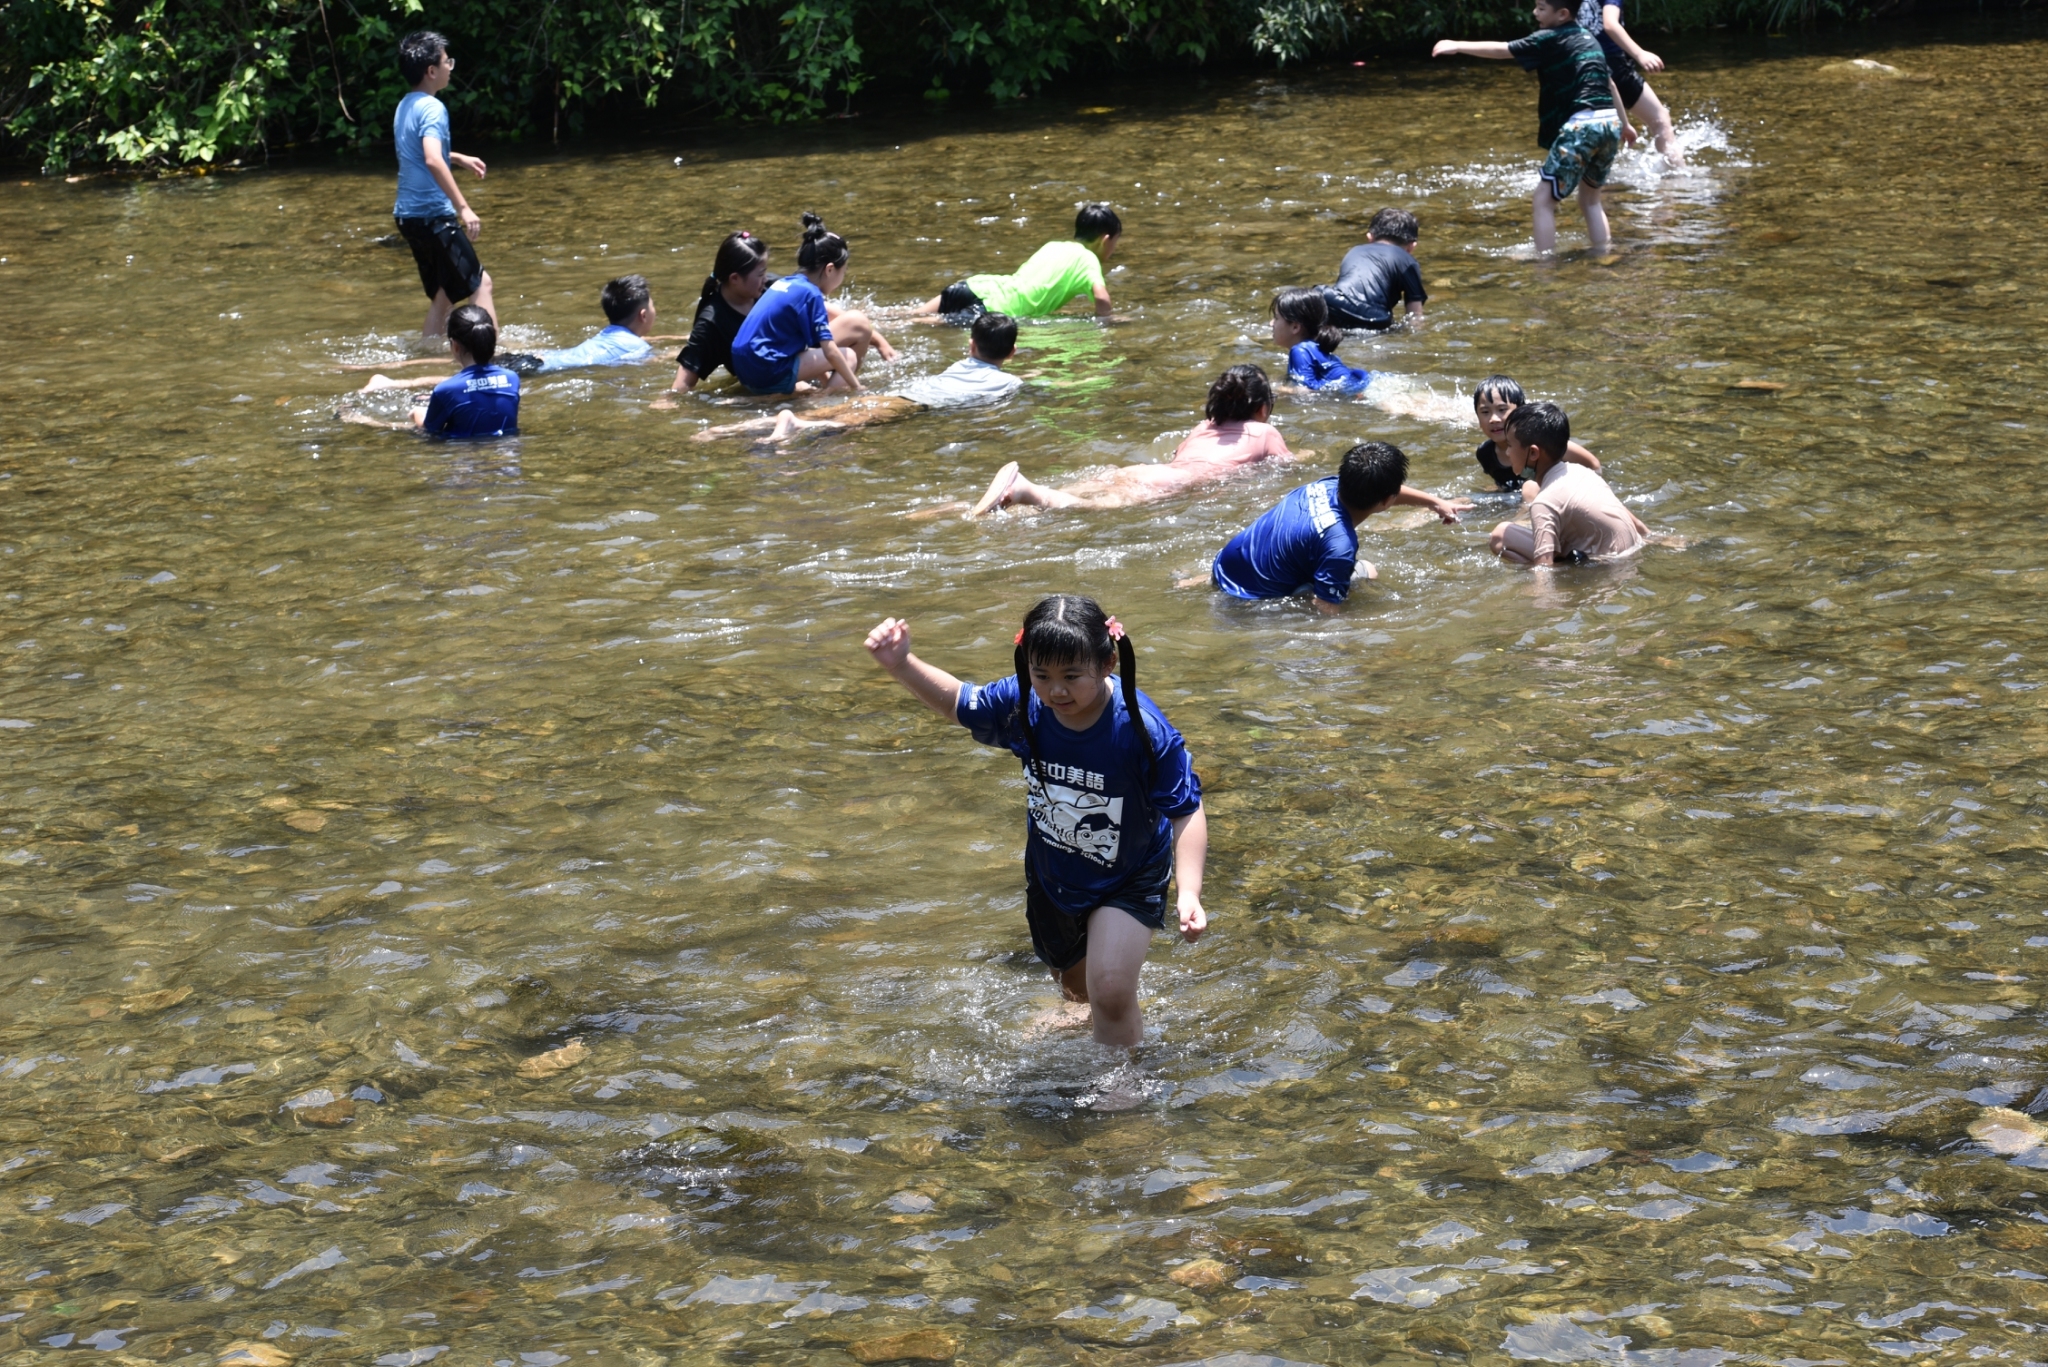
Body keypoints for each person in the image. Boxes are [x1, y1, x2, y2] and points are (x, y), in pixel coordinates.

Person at [862, 596, 1206, 1050]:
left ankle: (1122, 1079)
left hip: (1129, 873)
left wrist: (1188, 892)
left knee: (1110, 990)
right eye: (1041, 675)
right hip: (1054, 872)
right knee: (1076, 986)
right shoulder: (1024, 703)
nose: (1056, 691)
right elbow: (959, 703)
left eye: (1071, 677)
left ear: (1107, 663)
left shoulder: (1140, 729)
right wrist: (901, 664)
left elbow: (1185, 809)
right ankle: (1086, 1015)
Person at [1434, 0, 1636, 255]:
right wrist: (1625, 125)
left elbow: (1503, 49)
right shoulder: (1588, 38)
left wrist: (1457, 45)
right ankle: (1603, 255)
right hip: (1609, 122)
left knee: (1543, 200)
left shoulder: (1550, 37)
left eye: (1541, 8)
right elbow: (1611, 84)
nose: (1535, 12)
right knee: (1591, 201)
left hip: (1583, 125)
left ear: (1562, 14)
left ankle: (1544, 266)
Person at [964, 365, 1298, 517]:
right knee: (1098, 508)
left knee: (1071, 493)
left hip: (1145, 471)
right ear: (1262, 408)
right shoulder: (1265, 432)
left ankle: (967, 507)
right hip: (1172, 482)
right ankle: (1026, 489)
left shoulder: (1203, 427)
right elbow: (1286, 466)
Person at [1206, 443, 1472, 613]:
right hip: (1249, 601)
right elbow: (1324, 607)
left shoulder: (1323, 486)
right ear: (1386, 501)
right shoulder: (1340, 546)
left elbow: (1385, 491)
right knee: (1368, 570)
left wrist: (1434, 502)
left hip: (1221, 568)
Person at [692, 313, 1023, 444]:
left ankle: (727, 430)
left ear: (970, 345)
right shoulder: (1010, 384)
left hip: (899, 394)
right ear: (1011, 353)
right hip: (912, 405)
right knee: (842, 425)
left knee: (829, 414)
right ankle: (792, 425)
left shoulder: (961, 365)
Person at [391, 30, 494, 336]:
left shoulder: (405, 105)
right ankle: (490, 356)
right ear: (432, 71)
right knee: (481, 284)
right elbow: (432, 159)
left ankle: (428, 353)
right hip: (433, 215)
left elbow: (418, 153)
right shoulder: (434, 108)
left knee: (444, 293)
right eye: (447, 61)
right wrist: (464, 208)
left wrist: (458, 157)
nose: (451, 66)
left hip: (408, 217)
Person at [729, 213, 894, 395]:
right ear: (830, 269)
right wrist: (857, 387)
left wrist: (825, 382)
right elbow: (830, 352)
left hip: (744, 368)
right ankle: (825, 405)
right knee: (849, 357)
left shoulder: (785, 283)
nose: (842, 278)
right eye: (843, 272)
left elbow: (806, 349)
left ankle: (820, 392)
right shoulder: (811, 294)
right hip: (767, 370)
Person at [1487, 401, 1646, 564]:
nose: (1508, 452)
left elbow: (1544, 570)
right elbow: (1635, 524)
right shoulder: (1582, 472)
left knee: (1500, 536)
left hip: (1604, 566)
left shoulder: (1544, 502)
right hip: (1633, 551)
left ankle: (1568, 566)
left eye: (1509, 445)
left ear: (1533, 453)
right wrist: (1655, 537)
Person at [914, 204, 1122, 321]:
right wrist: (1106, 322)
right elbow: (1101, 296)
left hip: (977, 285)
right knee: (918, 325)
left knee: (910, 315)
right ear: (1105, 240)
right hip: (995, 308)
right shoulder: (1089, 259)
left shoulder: (1054, 245)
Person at [341, 305, 519, 437]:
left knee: (407, 429)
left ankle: (355, 419)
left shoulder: (446, 389)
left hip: (462, 454)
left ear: (455, 346)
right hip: (504, 453)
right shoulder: (512, 379)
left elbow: (430, 430)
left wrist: (418, 414)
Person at [1579, 0, 1686, 169]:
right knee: (1660, 120)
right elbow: (1610, 24)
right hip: (1612, 63)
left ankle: (1593, 182)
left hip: (1579, 65)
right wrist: (1639, 53)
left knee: (1594, 131)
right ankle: (1677, 177)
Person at [666, 230, 772, 397]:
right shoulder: (712, 323)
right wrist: (668, 400)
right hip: (765, 387)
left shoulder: (771, 289)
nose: (765, 279)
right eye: (760, 274)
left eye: (765, 272)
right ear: (735, 278)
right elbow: (684, 381)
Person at [1469, 374, 1602, 494]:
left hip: (1553, 493)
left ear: (1520, 412)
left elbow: (1594, 466)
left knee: (1530, 488)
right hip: (1521, 498)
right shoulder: (1485, 453)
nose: (1494, 419)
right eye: (1485, 412)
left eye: (1502, 409)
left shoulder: (1543, 441)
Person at [1317, 208, 1427, 330]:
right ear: (1412, 246)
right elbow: (1415, 315)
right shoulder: (1408, 261)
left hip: (1333, 304)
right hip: (1374, 317)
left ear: (1370, 237)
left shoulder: (1355, 250)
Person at [1272, 288, 1373, 393]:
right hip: (1367, 386)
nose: (1271, 323)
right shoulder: (1316, 347)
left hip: (1363, 391)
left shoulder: (1300, 350)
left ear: (1295, 327)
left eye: (1276, 318)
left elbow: (1304, 393)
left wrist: (1276, 389)